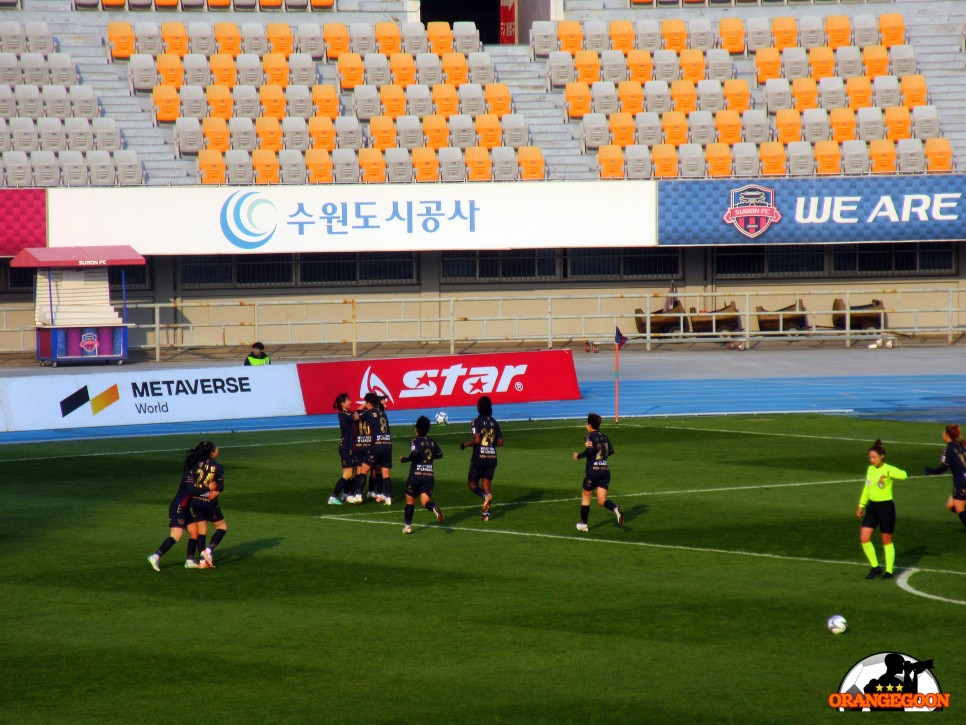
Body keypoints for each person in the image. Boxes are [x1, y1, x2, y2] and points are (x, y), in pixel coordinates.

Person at [147, 442, 207, 571]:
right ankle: (155, 556)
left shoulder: (194, 470)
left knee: (194, 532)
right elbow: (192, 490)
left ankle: (190, 560)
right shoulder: (190, 474)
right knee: (176, 535)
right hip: (179, 507)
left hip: (184, 508)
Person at [857, 439, 908, 580]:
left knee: (886, 540)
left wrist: (889, 474)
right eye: (870, 457)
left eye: (874, 457)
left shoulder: (888, 469)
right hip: (872, 508)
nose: (872, 460)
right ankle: (875, 567)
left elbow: (904, 475)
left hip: (886, 508)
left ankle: (889, 572)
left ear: (882, 456)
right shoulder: (870, 469)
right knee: (864, 537)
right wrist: (861, 505)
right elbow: (867, 487)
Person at [572, 413, 623, 532]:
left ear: (589, 425)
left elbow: (589, 450)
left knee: (586, 496)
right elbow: (611, 451)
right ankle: (615, 509)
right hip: (605, 470)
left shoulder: (589, 437)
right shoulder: (604, 436)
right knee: (601, 500)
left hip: (592, 471)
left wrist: (578, 456)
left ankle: (584, 525)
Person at [399, 416, 445, 534]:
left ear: (417, 429)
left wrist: (406, 459)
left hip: (416, 475)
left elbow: (414, 454)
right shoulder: (432, 441)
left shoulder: (414, 441)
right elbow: (440, 455)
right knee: (425, 501)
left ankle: (408, 526)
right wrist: (428, 457)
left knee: (410, 500)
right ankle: (434, 508)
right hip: (429, 475)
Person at [460, 396, 503, 521]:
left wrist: (465, 445)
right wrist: (491, 443)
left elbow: (477, 440)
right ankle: (486, 515)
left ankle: (484, 496)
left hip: (479, 457)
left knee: (472, 483)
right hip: (492, 457)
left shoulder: (476, 421)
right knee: (486, 485)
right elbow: (500, 442)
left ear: (479, 407)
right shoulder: (495, 422)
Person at [188, 441, 227, 569]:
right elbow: (219, 488)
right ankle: (208, 551)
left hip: (195, 501)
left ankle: (202, 561)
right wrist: (216, 492)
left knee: (202, 531)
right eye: (216, 449)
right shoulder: (218, 467)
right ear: (212, 452)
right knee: (222, 527)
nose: (218, 450)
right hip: (209, 502)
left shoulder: (196, 463)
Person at [351, 393, 393, 506]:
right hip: (388, 444)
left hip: (377, 445)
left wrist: (361, 408)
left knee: (363, 470)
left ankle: (358, 495)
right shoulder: (383, 413)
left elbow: (355, 417)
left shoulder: (369, 412)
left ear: (369, 403)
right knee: (386, 473)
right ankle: (388, 498)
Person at [923, 424, 966, 531]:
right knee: (950, 504)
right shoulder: (961, 444)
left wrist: (930, 471)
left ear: (947, 434)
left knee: (959, 508)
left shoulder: (950, 448)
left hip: (962, 482)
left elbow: (943, 468)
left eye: (943, 432)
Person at [327, 393, 356, 506]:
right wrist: (365, 406)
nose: (350, 402)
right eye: (348, 400)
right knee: (348, 474)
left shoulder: (348, 413)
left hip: (349, 447)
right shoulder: (343, 415)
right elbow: (356, 416)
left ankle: (346, 494)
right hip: (345, 447)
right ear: (342, 403)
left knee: (351, 473)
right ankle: (332, 497)